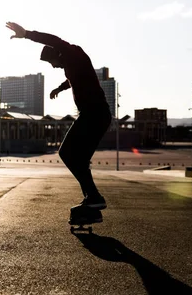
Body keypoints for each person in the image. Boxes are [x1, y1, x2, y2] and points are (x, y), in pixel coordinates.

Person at [6, 21, 112, 210]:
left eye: (51, 62)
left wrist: (26, 34)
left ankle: (93, 196)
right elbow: (72, 79)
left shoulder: (72, 53)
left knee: (67, 153)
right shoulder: (71, 65)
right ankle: (92, 197)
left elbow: (53, 40)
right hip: (93, 115)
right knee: (76, 158)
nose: (53, 66)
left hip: (94, 114)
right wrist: (60, 88)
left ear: (57, 53)